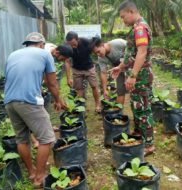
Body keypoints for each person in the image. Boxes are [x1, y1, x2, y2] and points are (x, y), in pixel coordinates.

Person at [4, 32, 65, 187]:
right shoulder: (44, 54)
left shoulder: (12, 55)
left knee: (21, 139)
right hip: (29, 101)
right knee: (47, 138)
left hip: (10, 101)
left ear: (26, 43)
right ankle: (40, 176)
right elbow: (51, 83)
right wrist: (58, 100)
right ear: (41, 44)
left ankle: (31, 172)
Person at [110, 1, 155, 156]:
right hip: (139, 74)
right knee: (137, 106)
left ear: (131, 11)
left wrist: (133, 76)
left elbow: (142, 52)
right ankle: (139, 135)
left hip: (141, 75)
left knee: (143, 108)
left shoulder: (140, 28)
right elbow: (131, 55)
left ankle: (148, 144)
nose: (123, 20)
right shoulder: (136, 28)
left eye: (123, 17)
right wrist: (120, 67)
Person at [65, 31, 101, 113]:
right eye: (70, 44)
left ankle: (98, 104)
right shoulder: (67, 46)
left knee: (94, 86)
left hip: (89, 68)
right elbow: (67, 61)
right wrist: (68, 78)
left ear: (78, 40)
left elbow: (95, 48)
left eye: (74, 44)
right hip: (77, 69)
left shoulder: (85, 41)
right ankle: (81, 108)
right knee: (79, 89)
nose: (72, 46)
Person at [90, 37, 128, 105]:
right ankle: (118, 113)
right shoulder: (101, 58)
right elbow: (103, 73)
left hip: (133, 67)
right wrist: (105, 90)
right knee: (120, 91)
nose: (98, 55)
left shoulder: (118, 43)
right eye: (96, 53)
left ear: (102, 45)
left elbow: (134, 49)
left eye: (98, 51)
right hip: (119, 70)